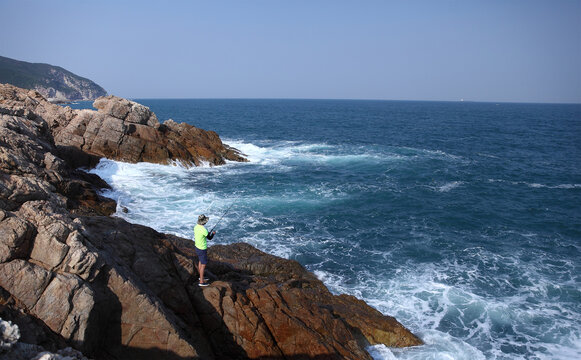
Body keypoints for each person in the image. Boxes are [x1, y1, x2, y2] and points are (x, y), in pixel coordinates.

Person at [194, 214, 215, 287]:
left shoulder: (196, 227)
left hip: (197, 247)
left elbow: (203, 234)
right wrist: (213, 234)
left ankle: (201, 276)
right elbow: (209, 238)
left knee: (200, 261)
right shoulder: (204, 229)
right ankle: (201, 281)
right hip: (202, 249)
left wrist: (208, 233)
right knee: (203, 265)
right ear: (204, 222)